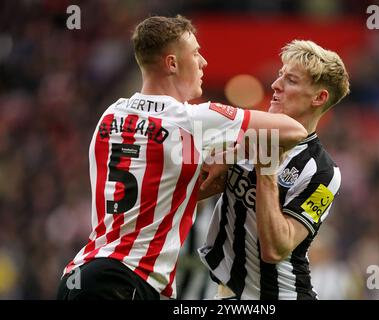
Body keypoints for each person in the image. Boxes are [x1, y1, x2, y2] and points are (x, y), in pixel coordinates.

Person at [56, 15, 307, 300]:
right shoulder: (191, 120)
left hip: (82, 275)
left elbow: (161, 186)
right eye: (196, 53)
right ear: (172, 63)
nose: (203, 63)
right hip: (125, 280)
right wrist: (234, 153)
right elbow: (293, 130)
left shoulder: (111, 114)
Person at [198, 39, 350, 299]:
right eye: (280, 75)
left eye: (290, 80)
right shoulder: (245, 135)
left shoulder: (325, 174)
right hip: (227, 291)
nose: (275, 85)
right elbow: (191, 192)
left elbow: (276, 249)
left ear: (319, 97)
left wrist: (265, 170)